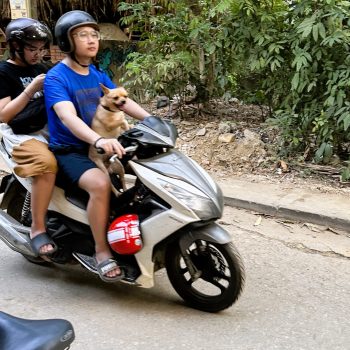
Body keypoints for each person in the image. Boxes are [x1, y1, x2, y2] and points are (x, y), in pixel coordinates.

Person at [44, 10, 151, 282]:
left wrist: (153, 121)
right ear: (67, 42)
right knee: (101, 185)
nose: (92, 40)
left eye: (94, 34)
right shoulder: (57, 78)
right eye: (82, 35)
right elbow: (67, 117)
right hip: (71, 149)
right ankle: (102, 252)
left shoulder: (97, 73)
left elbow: (123, 102)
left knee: (144, 166)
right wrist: (98, 140)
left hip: (102, 143)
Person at [0, 18, 58, 256]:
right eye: (32, 49)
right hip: (19, 133)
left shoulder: (43, 68)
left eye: (41, 48)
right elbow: (3, 115)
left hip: (46, 127)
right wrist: (30, 89)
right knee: (47, 165)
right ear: (16, 47)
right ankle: (37, 228)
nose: (38, 54)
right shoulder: (4, 72)